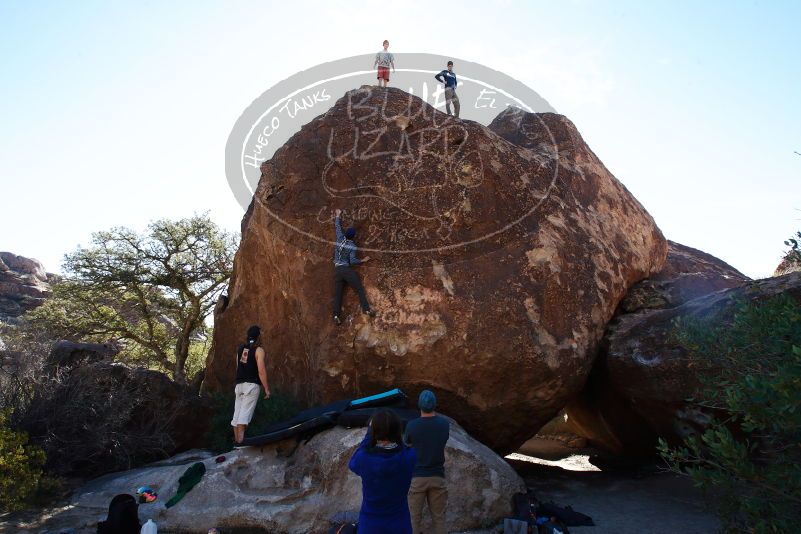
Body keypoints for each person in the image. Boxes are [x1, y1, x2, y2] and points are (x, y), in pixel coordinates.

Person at [349, 409, 417, 534]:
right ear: (398, 430)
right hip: (399, 524)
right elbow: (403, 447)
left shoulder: (364, 459)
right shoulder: (410, 457)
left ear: (374, 432)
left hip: (370, 525)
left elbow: (352, 463)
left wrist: (369, 434)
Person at [404, 390, 450, 534]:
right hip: (437, 476)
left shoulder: (412, 425)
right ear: (435, 404)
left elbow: (407, 443)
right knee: (439, 519)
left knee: (414, 519)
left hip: (417, 477)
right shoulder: (444, 424)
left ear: (419, 405)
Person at [332, 209, 375, 325]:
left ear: (346, 233)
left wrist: (337, 215)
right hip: (346, 269)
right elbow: (352, 261)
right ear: (353, 237)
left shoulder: (340, 237)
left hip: (337, 270)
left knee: (338, 294)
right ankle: (366, 309)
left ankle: (336, 315)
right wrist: (363, 260)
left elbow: (337, 226)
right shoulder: (352, 246)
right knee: (359, 289)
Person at [231, 325, 271, 444]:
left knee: (236, 417)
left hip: (239, 385)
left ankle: (237, 444)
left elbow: (238, 368)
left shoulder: (240, 349)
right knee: (243, 418)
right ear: (258, 336)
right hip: (251, 386)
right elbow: (261, 371)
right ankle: (241, 444)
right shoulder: (259, 350)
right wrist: (267, 388)